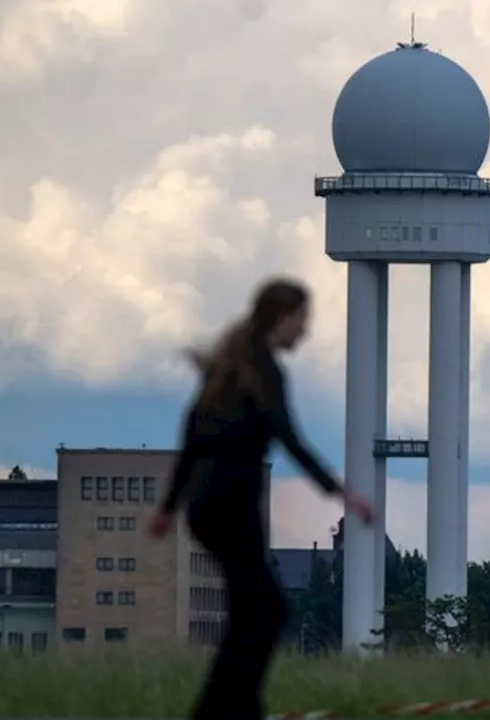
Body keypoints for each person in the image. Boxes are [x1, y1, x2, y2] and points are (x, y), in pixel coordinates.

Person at [147, 277, 374, 720]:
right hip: (231, 504)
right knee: (266, 611)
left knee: (253, 612)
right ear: (282, 317)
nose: (305, 332)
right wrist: (342, 492)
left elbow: (191, 436)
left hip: (207, 506)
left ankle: (235, 708)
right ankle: (223, 710)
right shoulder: (264, 371)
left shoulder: (228, 368)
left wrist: (168, 507)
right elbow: (291, 439)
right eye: (303, 320)